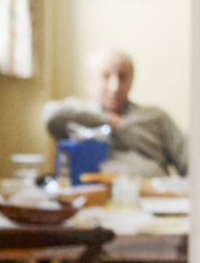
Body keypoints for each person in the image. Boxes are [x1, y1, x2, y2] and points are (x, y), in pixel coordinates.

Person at [43, 48, 188, 178]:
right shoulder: (76, 116)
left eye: (122, 76)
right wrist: (107, 120)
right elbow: (51, 116)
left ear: (132, 80)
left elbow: (191, 162)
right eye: (106, 76)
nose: (115, 87)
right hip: (94, 196)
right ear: (89, 80)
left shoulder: (155, 117)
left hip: (153, 195)